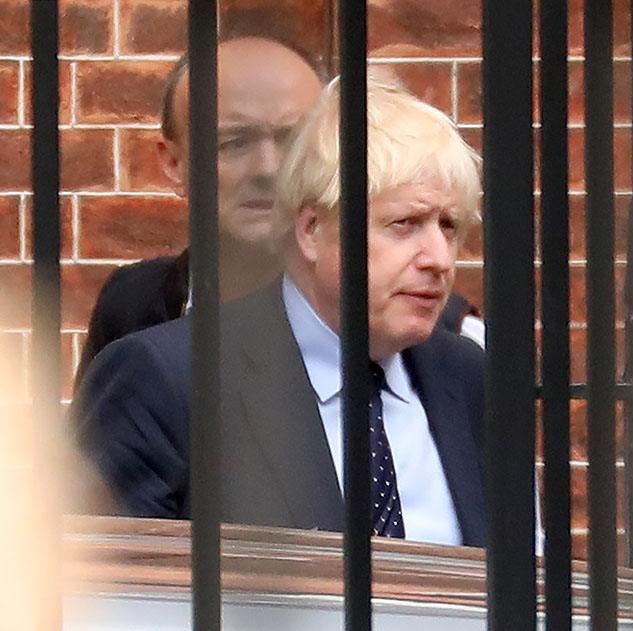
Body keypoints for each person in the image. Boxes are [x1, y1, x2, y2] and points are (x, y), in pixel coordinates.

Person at [71, 73, 487, 547]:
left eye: (449, 226)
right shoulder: (166, 380)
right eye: (404, 224)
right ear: (311, 229)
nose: (439, 258)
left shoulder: (467, 377)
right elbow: (103, 599)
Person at [74, 34, 325, 388]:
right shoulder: (133, 304)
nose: (268, 168)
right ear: (174, 162)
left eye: (293, 140)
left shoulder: (382, 306)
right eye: (234, 142)